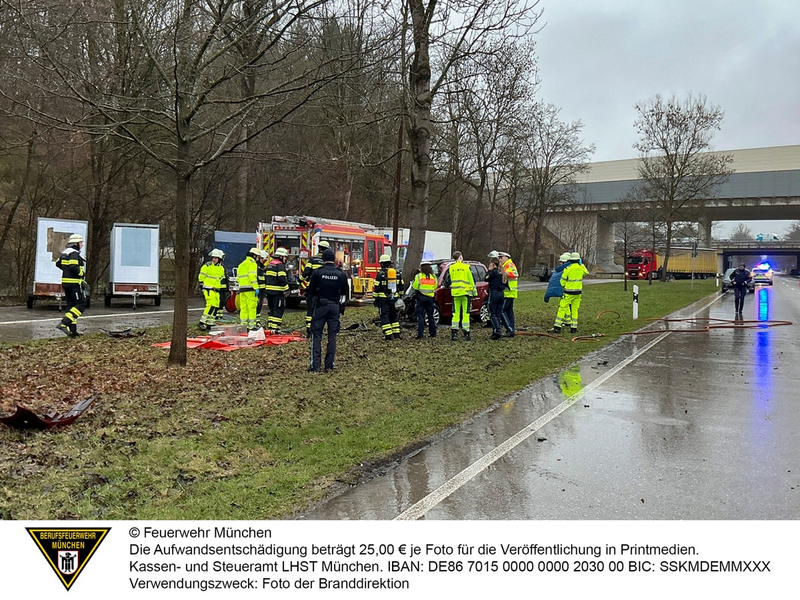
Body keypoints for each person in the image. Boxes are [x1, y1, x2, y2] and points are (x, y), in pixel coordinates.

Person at [306, 249, 349, 372]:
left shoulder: (318, 273)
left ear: (323, 259)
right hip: (334, 306)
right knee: (332, 336)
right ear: (334, 259)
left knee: (317, 335)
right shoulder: (340, 273)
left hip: (320, 306)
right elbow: (345, 292)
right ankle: (329, 365)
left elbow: (311, 291)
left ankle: (316, 366)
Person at [55, 233, 88, 337]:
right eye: (81, 243)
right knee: (81, 304)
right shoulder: (74, 253)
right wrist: (81, 273)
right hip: (74, 284)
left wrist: (66, 271)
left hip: (66, 284)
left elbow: (58, 263)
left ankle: (73, 331)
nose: (82, 245)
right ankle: (64, 323)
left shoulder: (65, 253)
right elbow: (73, 266)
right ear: (76, 243)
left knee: (71, 306)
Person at [551, 252, 588, 334]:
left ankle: (557, 327)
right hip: (578, 293)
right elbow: (586, 272)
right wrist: (581, 264)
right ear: (578, 260)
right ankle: (573, 328)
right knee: (575, 310)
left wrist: (564, 285)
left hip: (568, 292)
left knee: (562, 308)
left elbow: (562, 282)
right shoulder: (581, 268)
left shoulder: (568, 269)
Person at [300, 240, 329, 336]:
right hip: (323, 290)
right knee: (320, 310)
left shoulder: (312, 259)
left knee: (310, 309)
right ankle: (318, 329)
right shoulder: (327, 261)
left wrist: (299, 282)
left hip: (311, 290)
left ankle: (309, 329)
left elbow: (306, 272)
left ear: (319, 248)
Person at [374, 253, 403, 340]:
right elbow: (401, 286)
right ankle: (397, 334)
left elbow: (377, 288)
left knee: (385, 316)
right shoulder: (397, 273)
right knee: (394, 315)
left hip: (383, 300)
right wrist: (400, 296)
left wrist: (375, 299)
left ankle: (388, 335)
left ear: (382, 263)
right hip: (394, 298)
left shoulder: (380, 274)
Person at [448, 250, 476, 341]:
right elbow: (471, 280)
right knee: (466, 313)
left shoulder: (451, 267)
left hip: (455, 293)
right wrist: (474, 292)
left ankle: (454, 333)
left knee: (455, 313)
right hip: (465, 293)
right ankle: (466, 332)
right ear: (460, 257)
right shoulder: (466, 267)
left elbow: (450, 279)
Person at [197, 249, 226, 330]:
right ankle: (202, 322)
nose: (214, 259)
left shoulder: (221, 268)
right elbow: (201, 277)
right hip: (208, 289)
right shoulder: (207, 266)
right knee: (210, 305)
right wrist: (203, 287)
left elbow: (220, 279)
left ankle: (210, 323)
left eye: (216, 258)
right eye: (213, 258)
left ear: (219, 259)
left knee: (216, 306)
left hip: (216, 290)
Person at [545, 253, 572, 331]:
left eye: (561, 262)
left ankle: (564, 322)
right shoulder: (569, 268)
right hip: (569, 290)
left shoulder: (566, 270)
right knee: (565, 306)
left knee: (564, 306)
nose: (560, 264)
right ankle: (568, 321)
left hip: (566, 290)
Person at [264, 247, 289, 332]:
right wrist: (287, 289)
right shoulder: (280, 265)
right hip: (278, 292)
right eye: (285, 257)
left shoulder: (270, 264)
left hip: (269, 292)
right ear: (281, 257)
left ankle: (270, 327)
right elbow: (282, 279)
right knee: (278, 310)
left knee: (272, 310)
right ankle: (275, 328)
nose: (285, 259)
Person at [411, 260, 437, 339]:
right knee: (430, 316)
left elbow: (415, 287)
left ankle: (420, 335)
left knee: (421, 317)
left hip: (421, 297)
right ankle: (432, 333)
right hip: (430, 298)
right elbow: (435, 286)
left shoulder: (419, 276)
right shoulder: (433, 276)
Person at [237, 248, 260, 331]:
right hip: (250, 289)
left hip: (242, 289)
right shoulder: (252, 264)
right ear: (254, 256)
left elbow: (238, 278)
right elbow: (252, 276)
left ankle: (243, 325)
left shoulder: (241, 264)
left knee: (244, 308)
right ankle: (252, 326)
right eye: (257, 257)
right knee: (252, 307)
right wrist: (256, 287)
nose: (258, 259)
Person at [484, 255, 506, 340]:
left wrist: (489, 270)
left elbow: (485, 279)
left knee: (492, 313)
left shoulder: (493, 272)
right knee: (498, 314)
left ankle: (498, 331)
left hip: (494, 294)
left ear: (493, 264)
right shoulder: (502, 272)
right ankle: (495, 331)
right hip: (501, 294)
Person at [498, 251, 518, 337]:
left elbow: (514, 274)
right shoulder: (504, 265)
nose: (500, 259)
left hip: (509, 292)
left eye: (501, 257)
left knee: (501, 310)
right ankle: (511, 329)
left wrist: (503, 273)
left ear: (506, 257)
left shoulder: (509, 265)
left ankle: (509, 329)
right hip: (507, 292)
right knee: (509, 311)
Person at [256, 249, 268, 323]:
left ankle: (257, 320)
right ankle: (256, 320)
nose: (263, 260)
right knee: (256, 306)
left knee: (259, 306)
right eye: (262, 258)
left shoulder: (262, 267)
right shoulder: (256, 267)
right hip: (257, 290)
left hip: (262, 290)